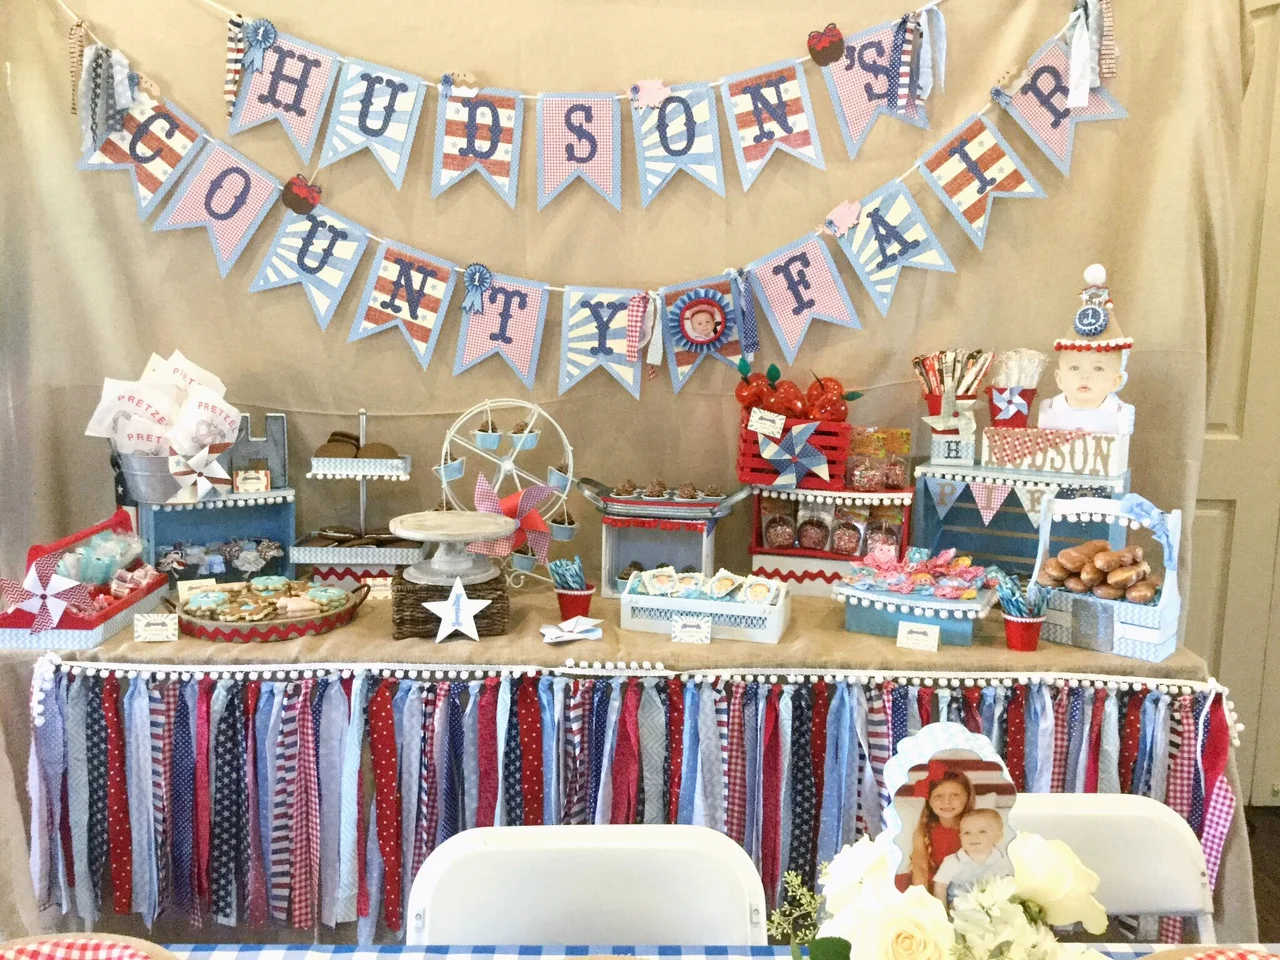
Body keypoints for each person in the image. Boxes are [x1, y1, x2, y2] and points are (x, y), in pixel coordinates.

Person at [1036, 264, 1135, 435]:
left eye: (1098, 368)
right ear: (1059, 378)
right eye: (1074, 368)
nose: (1085, 376)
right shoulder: (1049, 409)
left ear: (1116, 381)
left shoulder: (1119, 413)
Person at [932, 808, 1013, 905]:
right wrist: (943, 912)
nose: (974, 837)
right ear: (960, 837)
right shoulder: (952, 861)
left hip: (994, 907)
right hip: (960, 909)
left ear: (997, 837)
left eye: (982, 831)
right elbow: (940, 887)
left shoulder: (1005, 859)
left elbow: (1012, 883)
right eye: (967, 833)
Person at [910, 770, 975, 889]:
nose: (947, 802)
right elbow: (920, 868)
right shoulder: (923, 831)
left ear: (967, 797)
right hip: (930, 887)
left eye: (955, 795)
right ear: (929, 801)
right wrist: (922, 900)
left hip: (966, 888)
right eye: (939, 796)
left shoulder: (976, 828)